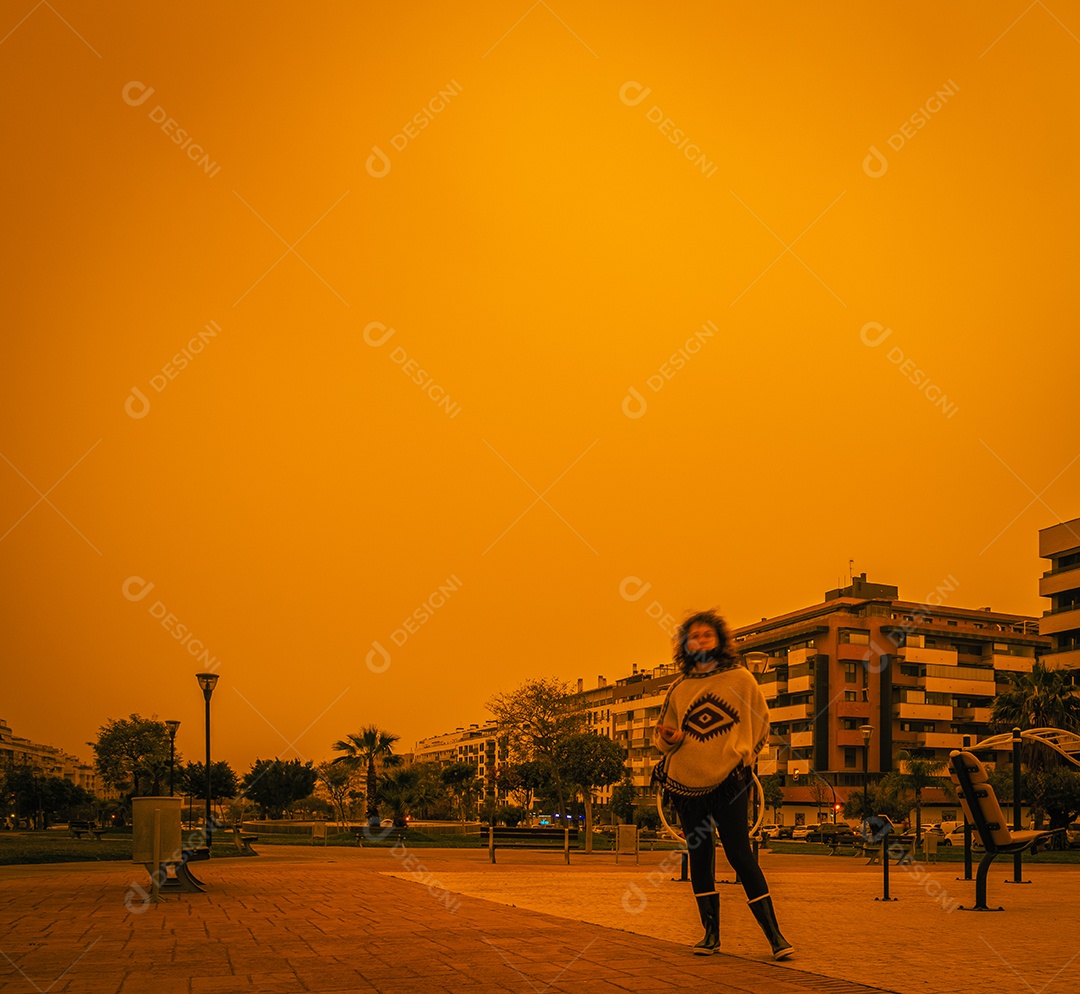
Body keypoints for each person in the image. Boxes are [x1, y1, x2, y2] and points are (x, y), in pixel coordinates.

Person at [651, 610, 793, 959]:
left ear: (719, 641)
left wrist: (745, 757)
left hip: (731, 780)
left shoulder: (742, 680)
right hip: (685, 784)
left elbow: (761, 723)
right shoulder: (678, 688)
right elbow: (663, 734)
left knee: (740, 854)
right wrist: (670, 739)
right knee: (700, 857)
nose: (700, 640)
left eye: (706, 635)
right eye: (694, 636)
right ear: (685, 645)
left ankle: (776, 937)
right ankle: (710, 935)